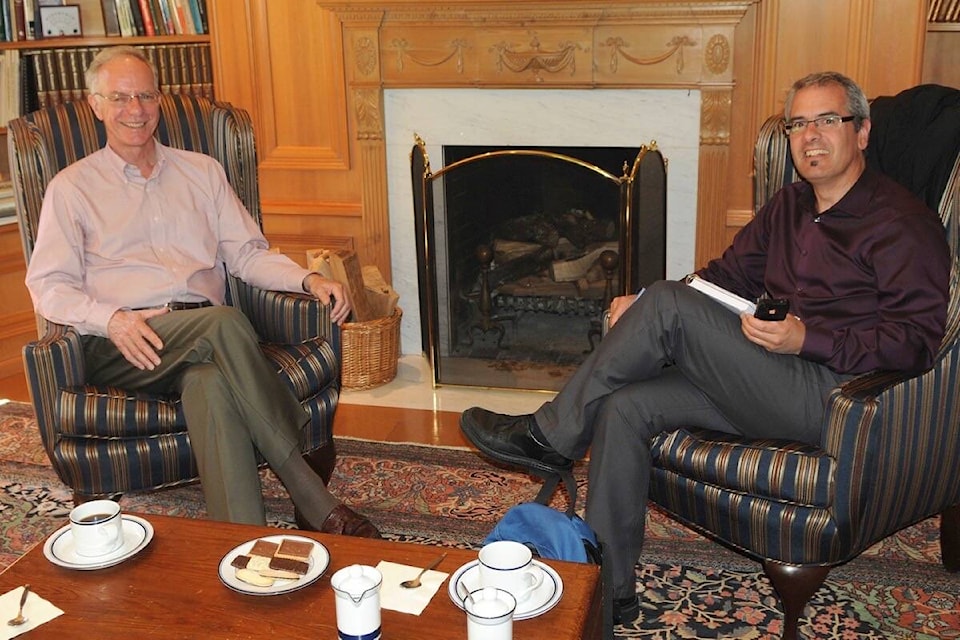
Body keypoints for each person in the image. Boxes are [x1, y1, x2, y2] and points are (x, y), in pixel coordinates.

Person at [459, 70, 951, 624]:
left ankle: (549, 435)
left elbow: (916, 344)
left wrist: (809, 337)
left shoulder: (902, 222)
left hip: (835, 400)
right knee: (626, 406)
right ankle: (608, 593)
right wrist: (642, 304)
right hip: (761, 377)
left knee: (668, 304)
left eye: (827, 120)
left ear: (861, 132)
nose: (811, 136)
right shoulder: (788, 206)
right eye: (798, 123)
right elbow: (724, 279)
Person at [24, 46, 380, 538]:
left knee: (209, 382)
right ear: (96, 105)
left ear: (160, 100)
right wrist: (111, 319)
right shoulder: (72, 188)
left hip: (205, 340)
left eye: (146, 94)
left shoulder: (203, 172)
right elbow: (48, 287)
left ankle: (245, 545)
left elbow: (248, 254)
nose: (136, 109)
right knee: (225, 321)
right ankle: (310, 495)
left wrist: (308, 278)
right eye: (120, 97)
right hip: (124, 342)